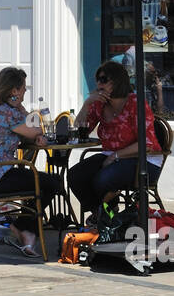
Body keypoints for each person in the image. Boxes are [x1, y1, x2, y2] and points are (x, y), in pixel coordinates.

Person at [0, 67, 62, 257]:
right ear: (14, 90)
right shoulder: (7, 112)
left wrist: (32, 134)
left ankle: (23, 230)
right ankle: (24, 229)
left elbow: (27, 133)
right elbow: (36, 129)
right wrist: (25, 114)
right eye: (23, 88)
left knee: (40, 181)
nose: (25, 91)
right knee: (53, 183)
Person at [66, 61, 162, 227]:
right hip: (111, 156)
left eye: (103, 80)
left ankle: (109, 215)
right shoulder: (99, 104)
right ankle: (103, 215)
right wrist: (87, 104)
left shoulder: (135, 103)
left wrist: (116, 156)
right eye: (97, 79)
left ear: (117, 81)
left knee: (103, 180)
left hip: (143, 160)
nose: (98, 84)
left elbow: (146, 143)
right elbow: (81, 130)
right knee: (75, 175)